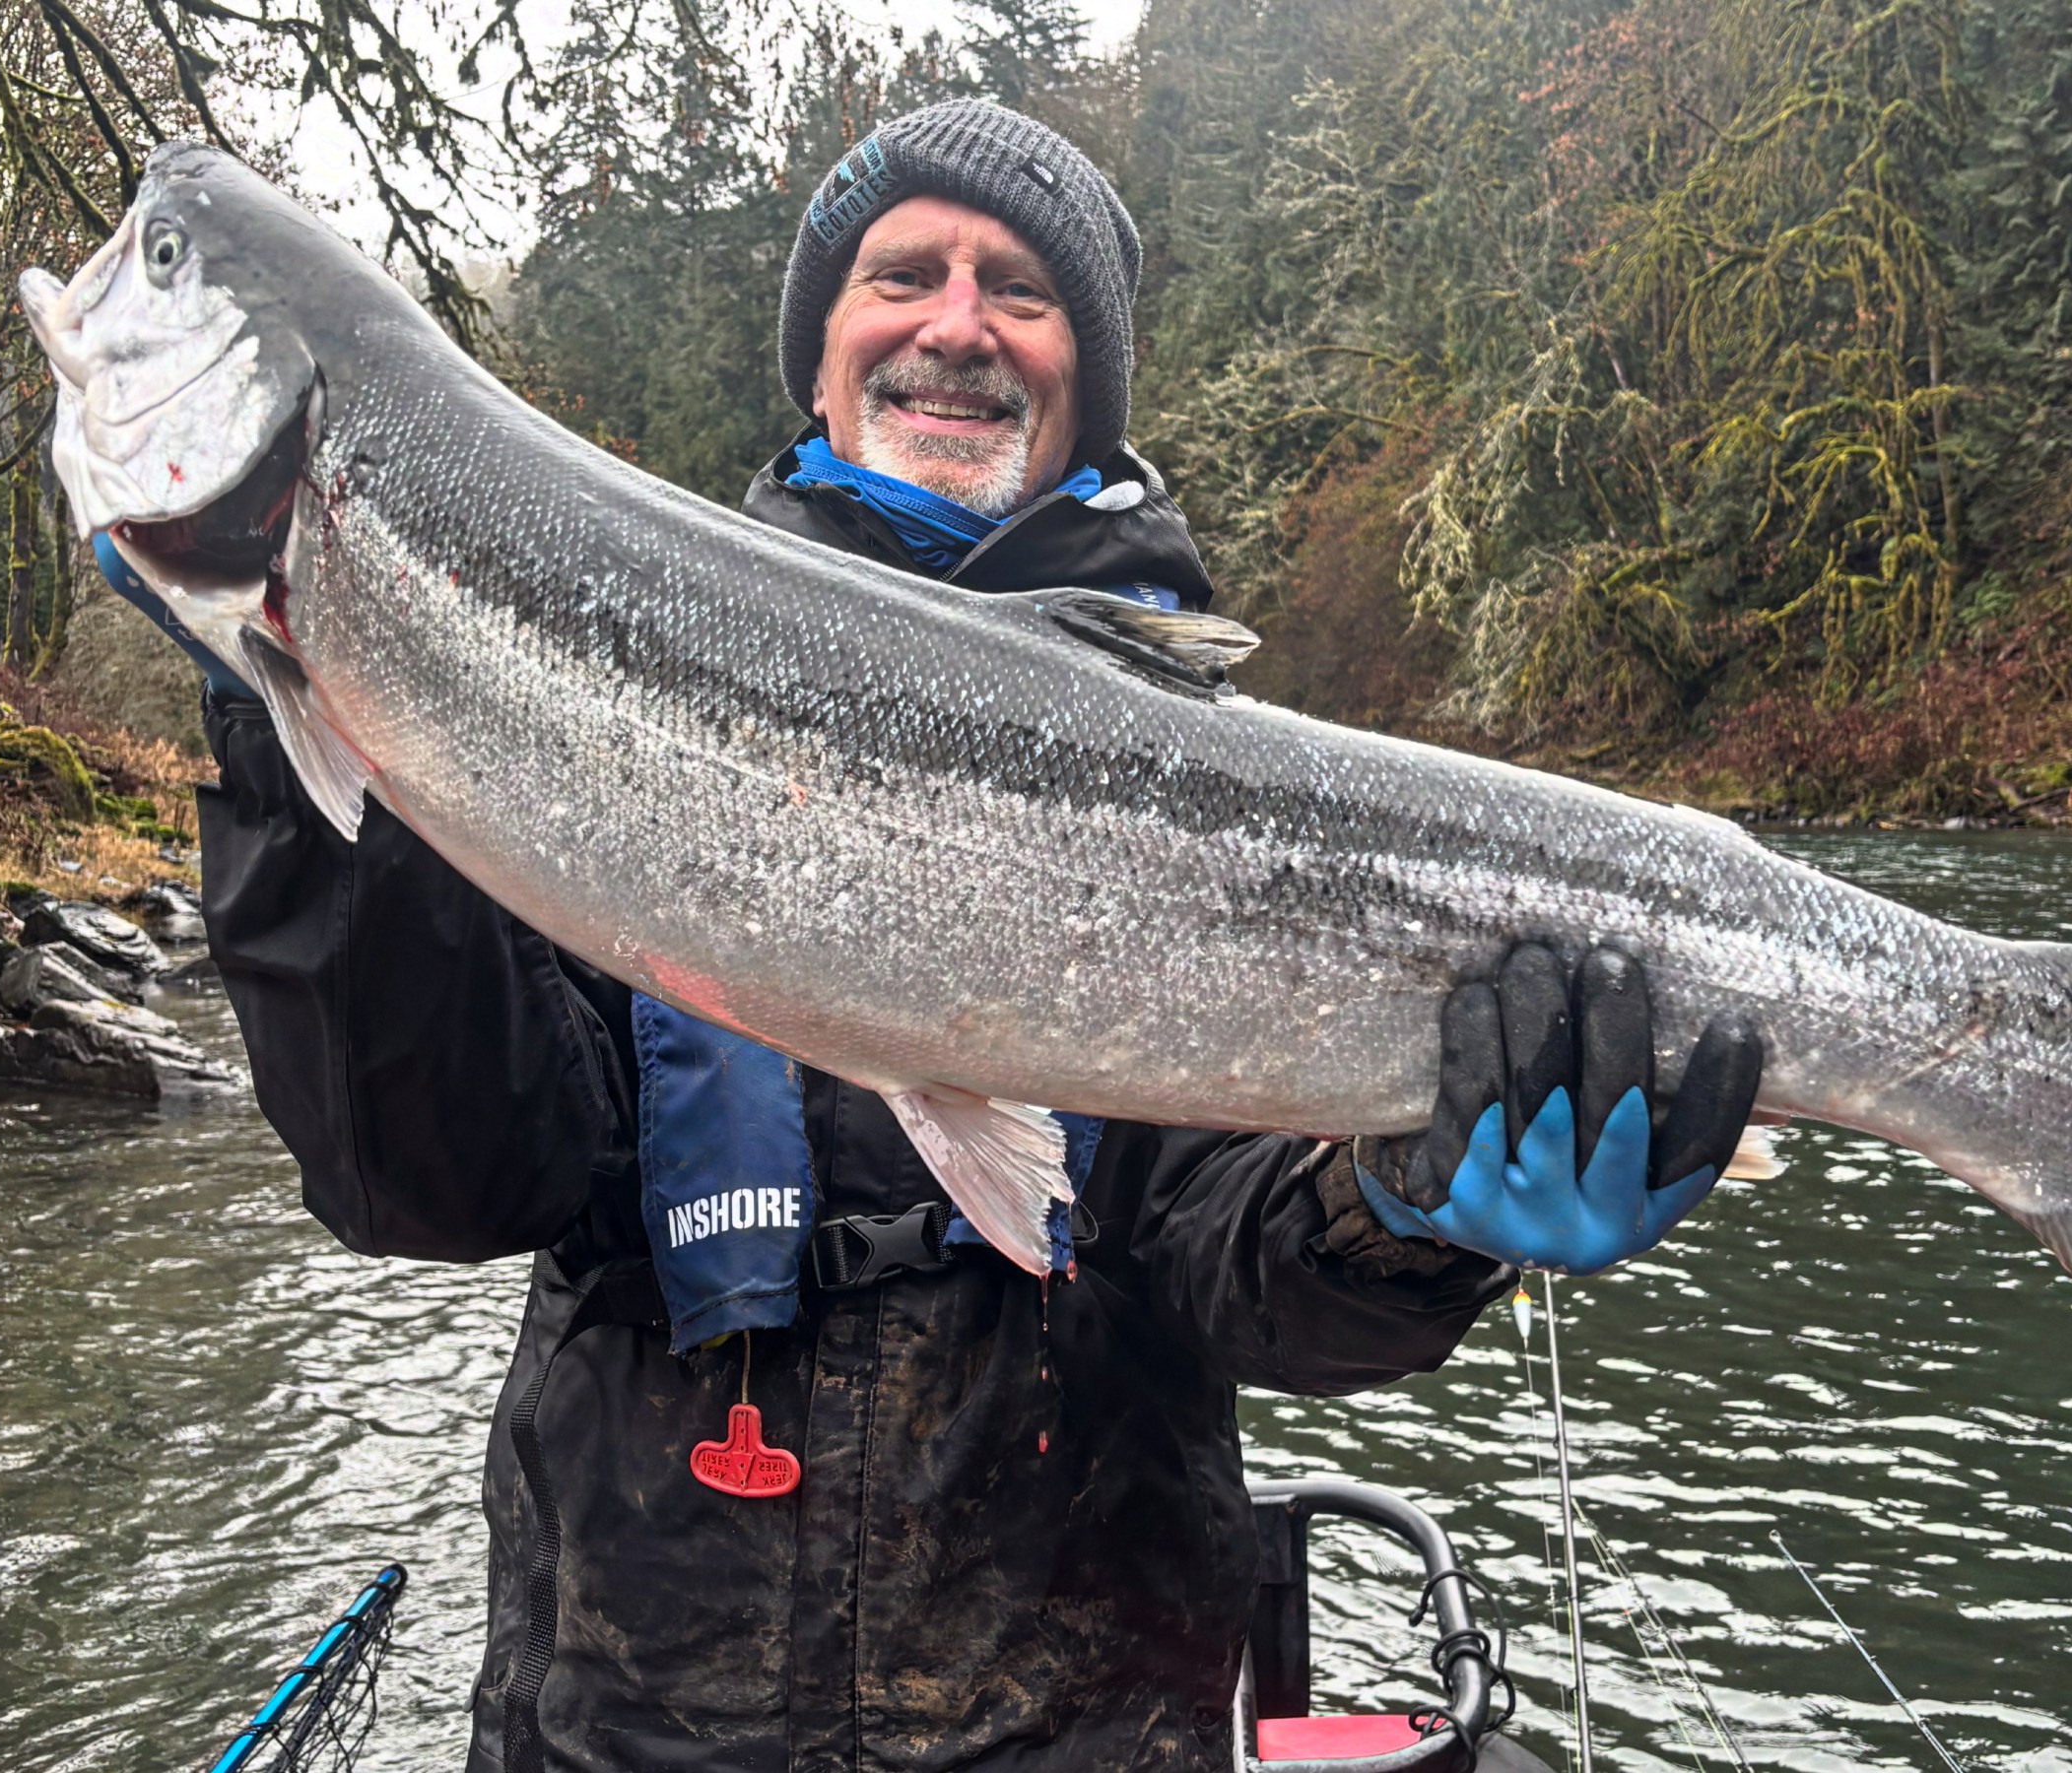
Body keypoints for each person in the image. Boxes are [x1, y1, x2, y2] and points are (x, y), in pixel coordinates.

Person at [106, 99, 1762, 1772]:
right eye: (903, 275)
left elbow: (1253, 1288)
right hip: (624, 1728)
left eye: (1019, 291)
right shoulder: (569, 687)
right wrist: (271, 695)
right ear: (824, 366)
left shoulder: (1240, 774)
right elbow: (428, 1179)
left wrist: (1417, 1206)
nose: (956, 323)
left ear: (1082, 387)